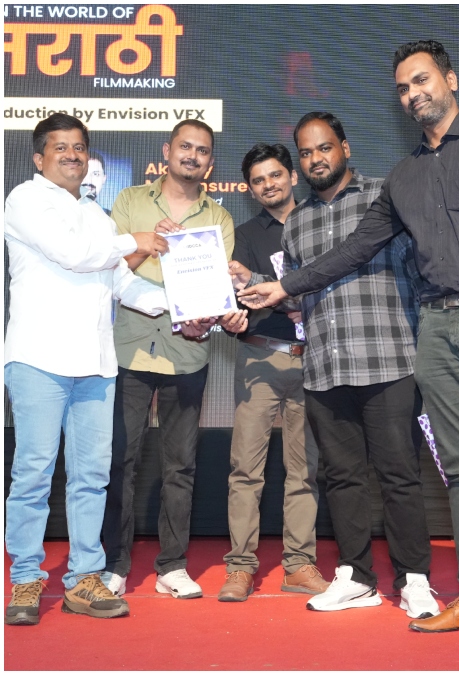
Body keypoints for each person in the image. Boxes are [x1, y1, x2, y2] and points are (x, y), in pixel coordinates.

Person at [240, 40, 459, 647]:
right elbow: (354, 249)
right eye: (403, 87)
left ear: (450, 79)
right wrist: (283, 287)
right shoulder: (405, 175)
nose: (413, 94)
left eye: (422, 80)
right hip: (434, 329)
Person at [235, 112, 438, 615]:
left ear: (345, 148)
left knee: (398, 475)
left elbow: (415, 267)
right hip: (325, 366)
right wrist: (253, 286)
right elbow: (297, 295)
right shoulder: (297, 222)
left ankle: (414, 579)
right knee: (343, 478)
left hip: (388, 358)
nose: (315, 159)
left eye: (324, 148)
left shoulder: (383, 197)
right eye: (305, 152)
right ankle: (357, 577)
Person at [4, 113, 170, 625]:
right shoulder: (25, 200)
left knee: (92, 477)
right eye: (61, 148)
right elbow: (74, 255)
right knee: (33, 474)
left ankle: (83, 577)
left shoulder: (97, 216)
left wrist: (183, 306)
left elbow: (122, 284)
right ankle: (25, 577)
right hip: (38, 359)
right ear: (39, 158)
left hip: (95, 365)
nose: (72, 155)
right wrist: (135, 239)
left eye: (79, 147)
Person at [100, 119, 243, 600]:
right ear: (167, 151)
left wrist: (205, 318)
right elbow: (110, 271)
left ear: (210, 163)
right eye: (185, 146)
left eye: (202, 151)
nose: (192, 156)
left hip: (188, 353)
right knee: (120, 461)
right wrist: (146, 243)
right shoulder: (130, 201)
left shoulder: (218, 219)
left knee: (180, 466)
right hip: (130, 349)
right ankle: (114, 565)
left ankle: (173, 566)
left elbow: (214, 290)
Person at [214, 143, 328, 602]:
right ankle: (240, 567)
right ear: (249, 188)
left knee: (304, 471)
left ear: (293, 176)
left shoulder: (321, 223)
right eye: (259, 180)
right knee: (245, 469)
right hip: (260, 357)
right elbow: (237, 299)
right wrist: (242, 313)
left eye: (276, 175)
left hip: (315, 359)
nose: (269, 185)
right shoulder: (243, 235)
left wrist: (295, 299)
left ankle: (298, 565)